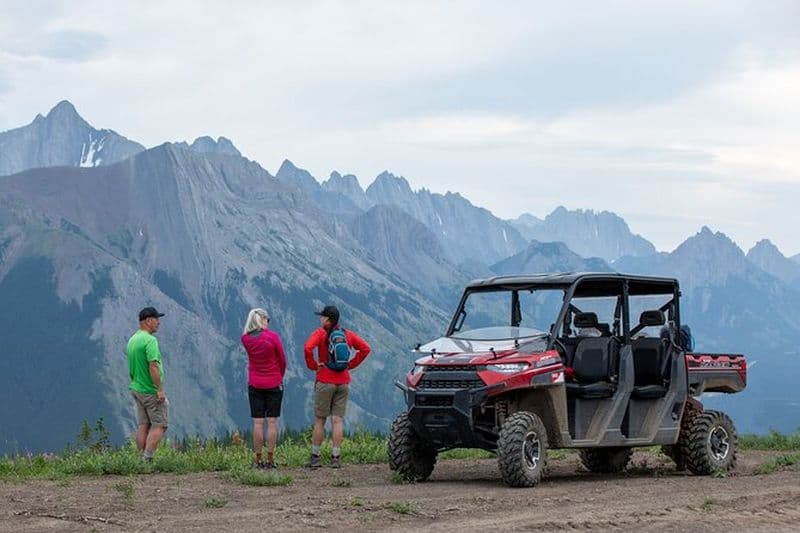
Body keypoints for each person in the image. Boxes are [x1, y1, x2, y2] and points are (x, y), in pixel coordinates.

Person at [303, 305, 371, 468]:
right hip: (343, 382)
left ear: (327, 319)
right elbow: (365, 349)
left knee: (320, 419)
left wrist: (314, 365)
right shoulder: (347, 334)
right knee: (337, 420)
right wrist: (350, 365)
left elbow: (307, 348)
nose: (320, 319)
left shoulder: (320, 333)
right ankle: (336, 458)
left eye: (322, 317)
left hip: (325, 380)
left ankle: (315, 457)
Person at [241, 308, 287, 469]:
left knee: (258, 423)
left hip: (255, 384)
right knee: (272, 422)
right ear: (260, 319)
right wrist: (278, 376)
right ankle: (270, 459)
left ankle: (258, 459)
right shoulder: (273, 337)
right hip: (274, 383)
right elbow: (282, 359)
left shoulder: (245, 339)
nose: (269, 321)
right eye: (267, 318)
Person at [127, 306, 168, 462]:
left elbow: (132, 366)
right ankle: (147, 458)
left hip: (136, 388)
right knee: (160, 425)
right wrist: (159, 390)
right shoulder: (150, 341)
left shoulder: (133, 340)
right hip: (150, 390)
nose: (159, 323)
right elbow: (153, 365)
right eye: (157, 319)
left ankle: (140, 458)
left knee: (143, 424)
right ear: (148, 321)